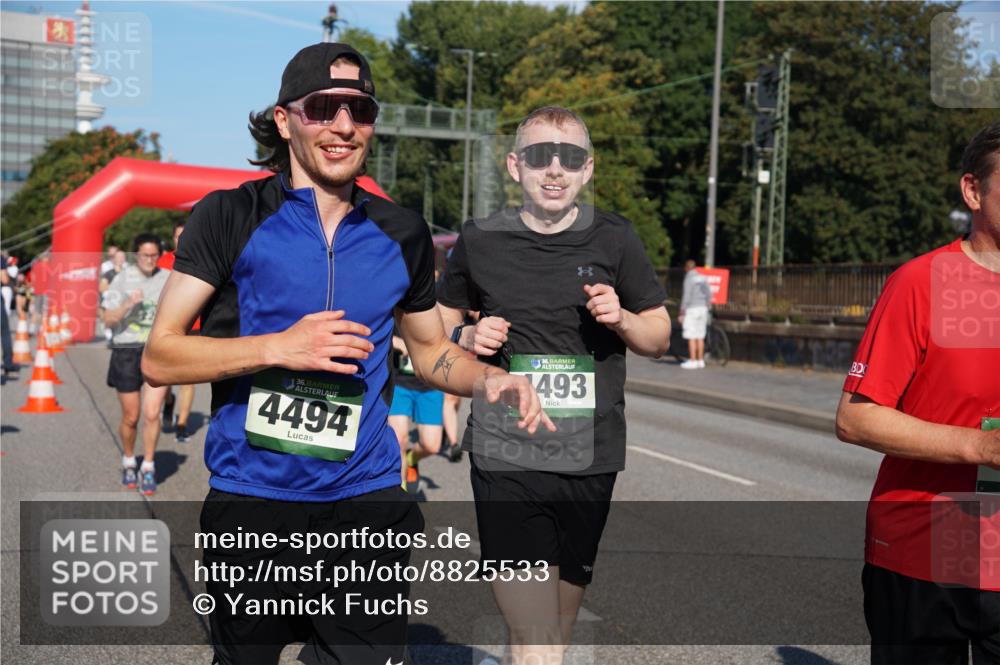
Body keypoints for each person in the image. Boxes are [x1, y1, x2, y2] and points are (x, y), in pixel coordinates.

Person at [142, 42, 551, 665]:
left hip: (367, 498)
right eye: (323, 108)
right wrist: (281, 347)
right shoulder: (230, 215)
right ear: (285, 121)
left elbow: (431, 352)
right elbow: (161, 357)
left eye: (359, 110)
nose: (342, 125)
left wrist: (484, 379)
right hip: (255, 501)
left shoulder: (402, 232)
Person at [438, 106, 671, 665]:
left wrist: (622, 320)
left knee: (557, 631)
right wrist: (467, 335)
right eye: (541, 156)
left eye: (568, 158)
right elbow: (437, 328)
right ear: (516, 165)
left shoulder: (616, 239)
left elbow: (659, 336)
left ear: (587, 169)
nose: (554, 170)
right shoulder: (481, 239)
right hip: (506, 452)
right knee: (539, 639)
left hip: (590, 456)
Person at [836, 121, 1000, 664]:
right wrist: (979, 447)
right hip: (922, 548)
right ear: (973, 191)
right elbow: (857, 419)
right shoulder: (922, 282)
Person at [102, 233, 171, 495]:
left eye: (154, 255)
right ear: (136, 255)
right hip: (126, 351)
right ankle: (129, 460)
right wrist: (129, 304)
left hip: (156, 351)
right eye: (145, 255)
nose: (150, 260)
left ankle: (149, 466)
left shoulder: (167, 279)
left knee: (152, 413)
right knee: (131, 416)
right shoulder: (122, 279)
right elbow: (108, 319)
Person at [157, 220, 199, 442]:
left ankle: (182, 424)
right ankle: (168, 401)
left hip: (196, 326)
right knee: (164, 378)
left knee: (187, 379)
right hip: (168, 324)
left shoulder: (204, 256)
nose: (183, 240)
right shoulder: (164, 261)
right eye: (178, 237)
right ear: (173, 239)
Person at [388, 325, 444, 490]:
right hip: (399, 382)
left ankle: (411, 459)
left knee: (431, 445)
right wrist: (395, 341)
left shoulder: (440, 304)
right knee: (399, 439)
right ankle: (401, 489)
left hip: (430, 386)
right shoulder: (396, 302)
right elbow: (374, 328)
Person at [678, 259, 712, 369]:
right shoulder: (702, 278)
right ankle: (700, 360)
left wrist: (682, 310)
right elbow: (709, 294)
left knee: (691, 335)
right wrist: (706, 305)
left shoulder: (689, 278)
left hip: (692, 309)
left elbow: (686, 296)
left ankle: (692, 360)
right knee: (700, 336)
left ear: (687, 268)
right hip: (703, 308)